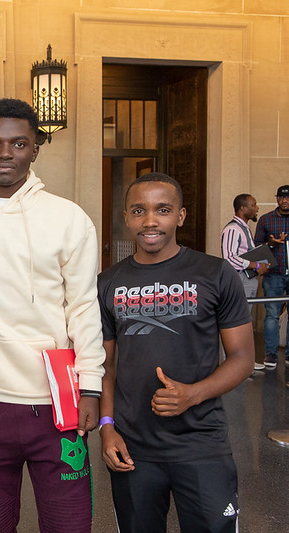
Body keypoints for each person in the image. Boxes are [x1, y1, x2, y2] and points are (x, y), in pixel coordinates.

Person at [0, 98, 105, 533]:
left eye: (18, 143)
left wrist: (91, 386)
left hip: (56, 402)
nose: (5, 153)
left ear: (35, 149)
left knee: (69, 523)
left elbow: (83, 308)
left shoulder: (67, 218)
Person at [98, 173, 254, 533]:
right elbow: (104, 365)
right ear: (126, 217)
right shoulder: (108, 282)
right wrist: (107, 429)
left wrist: (192, 394)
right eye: (139, 210)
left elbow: (243, 358)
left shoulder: (214, 273)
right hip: (133, 446)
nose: (150, 221)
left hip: (202, 444)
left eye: (162, 210)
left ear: (180, 216)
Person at [221, 193, 266, 370]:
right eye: (253, 205)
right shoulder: (233, 229)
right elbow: (229, 257)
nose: (256, 208)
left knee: (245, 320)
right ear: (242, 208)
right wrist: (255, 265)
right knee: (236, 321)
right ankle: (230, 363)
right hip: (239, 279)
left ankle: (245, 361)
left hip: (247, 279)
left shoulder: (244, 228)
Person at [255, 184, 289, 369]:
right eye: (281, 197)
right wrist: (271, 243)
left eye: (287, 197)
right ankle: (271, 354)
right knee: (272, 315)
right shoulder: (266, 220)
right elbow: (257, 247)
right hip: (273, 274)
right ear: (277, 199)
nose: (284, 200)